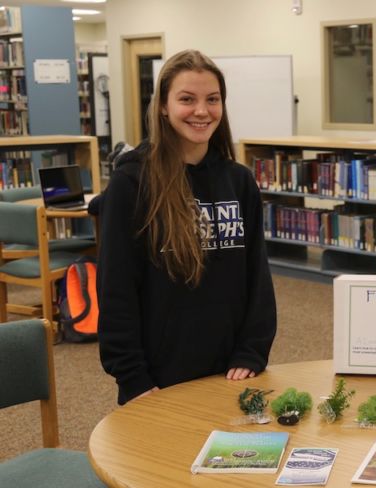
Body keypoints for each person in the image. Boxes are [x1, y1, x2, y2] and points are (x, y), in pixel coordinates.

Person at [98, 50, 277, 405]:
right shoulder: (132, 181)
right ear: (163, 106)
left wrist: (252, 351)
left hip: (232, 372)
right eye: (186, 99)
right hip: (157, 381)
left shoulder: (239, 182)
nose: (201, 111)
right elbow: (116, 286)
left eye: (212, 100)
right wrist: (131, 376)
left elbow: (257, 275)